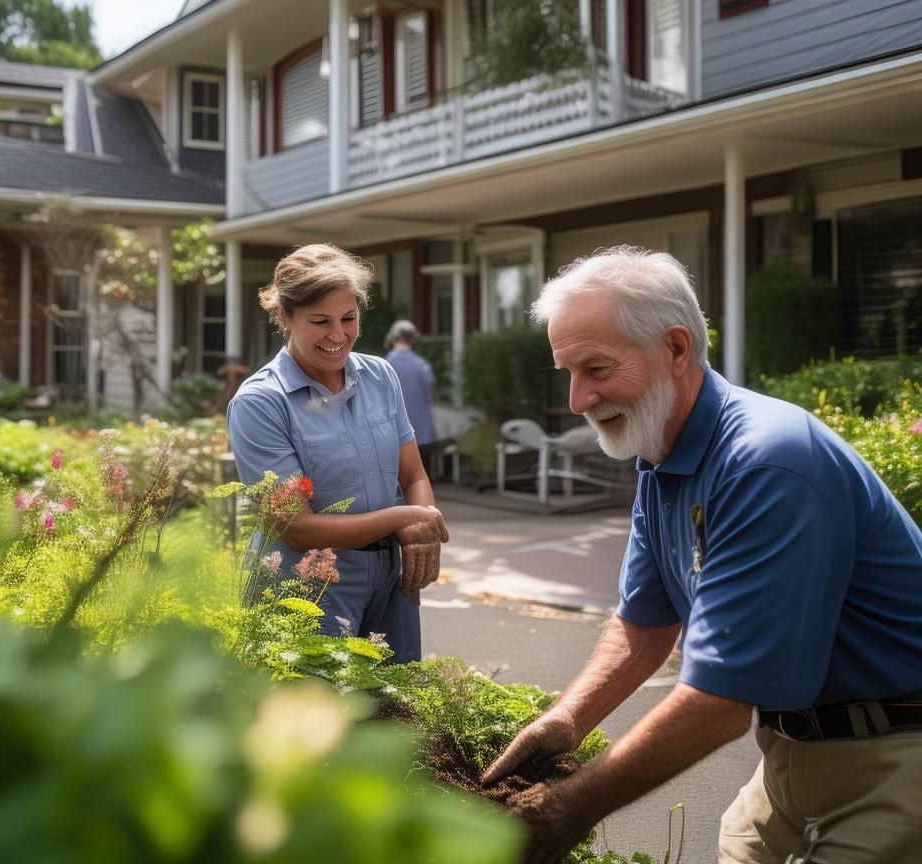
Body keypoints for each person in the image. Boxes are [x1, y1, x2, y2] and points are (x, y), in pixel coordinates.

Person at [480, 246, 922, 863]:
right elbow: (644, 623)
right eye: (568, 373)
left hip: (898, 757)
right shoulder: (664, 455)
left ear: (677, 349)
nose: (579, 399)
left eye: (597, 368)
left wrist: (564, 813)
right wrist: (567, 722)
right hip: (790, 757)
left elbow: (718, 705)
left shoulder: (767, 462)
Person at [226, 244, 448, 663]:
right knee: (315, 717)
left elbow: (414, 476)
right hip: (308, 588)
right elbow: (296, 527)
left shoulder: (381, 375)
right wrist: (408, 519)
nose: (338, 335)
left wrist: (421, 539)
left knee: (393, 715)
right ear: (284, 317)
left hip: (391, 579)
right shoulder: (260, 402)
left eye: (349, 318)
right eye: (320, 321)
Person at [385, 320, 437, 455]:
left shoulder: (384, 366)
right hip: (422, 434)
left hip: (393, 435)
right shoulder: (423, 366)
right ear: (413, 339)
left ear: (393, 338)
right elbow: (430, 396)